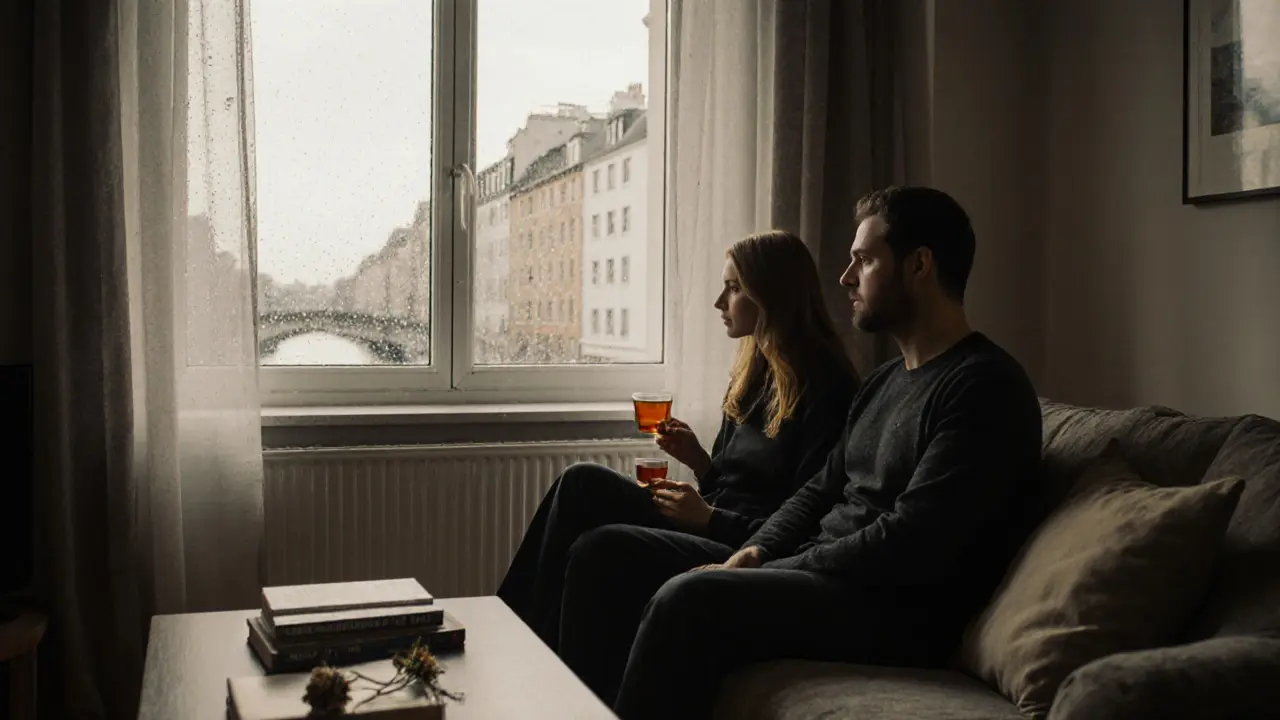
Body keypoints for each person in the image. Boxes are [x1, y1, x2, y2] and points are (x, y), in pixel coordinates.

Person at [559, 186, 1045, 719]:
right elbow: (819, 490)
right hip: (823, 574)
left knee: (687, 601)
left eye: (864, 259)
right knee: (607, 550)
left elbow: (911, 539)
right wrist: (757, 552)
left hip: (891, 607)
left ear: (919, 265)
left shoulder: (983, 387)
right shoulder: (885, 382)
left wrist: (776, 564)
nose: (845, 277)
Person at [496, 229, 860, 655]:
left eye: (733, 288)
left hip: (743, 546)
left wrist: (710, 518)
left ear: (773, 295)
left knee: (595, 545)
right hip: (715, 521)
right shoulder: (752, 375)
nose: (719, 303)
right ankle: (514, 637)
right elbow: (733, 485)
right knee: (580, 482)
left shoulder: (826, 389)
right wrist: (701, 463)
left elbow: (804, 518)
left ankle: (530, 657)